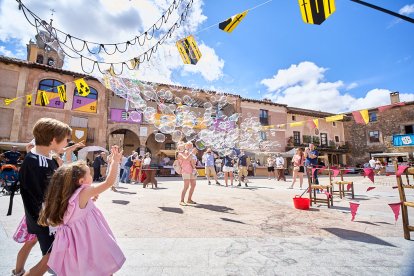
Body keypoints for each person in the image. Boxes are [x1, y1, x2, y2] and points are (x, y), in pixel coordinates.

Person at [38, 146, 126, 275]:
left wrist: (89, 199)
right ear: (81, 181)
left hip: (76, 242)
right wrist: (115, 162)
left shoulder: (67, 195)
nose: (91, 175)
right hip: (90, 238)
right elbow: (108, 183)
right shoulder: (84, 192)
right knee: (102, 267)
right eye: (89, 174)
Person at [17, 117, 72, 276]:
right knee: (50, 259)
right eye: (66, 140)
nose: (66, 144)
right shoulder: (34, 161)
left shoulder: (48, 159)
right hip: (45, 221)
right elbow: (37, 196)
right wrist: (52, 218)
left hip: (51, 219)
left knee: (53, 258)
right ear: (54, 140)